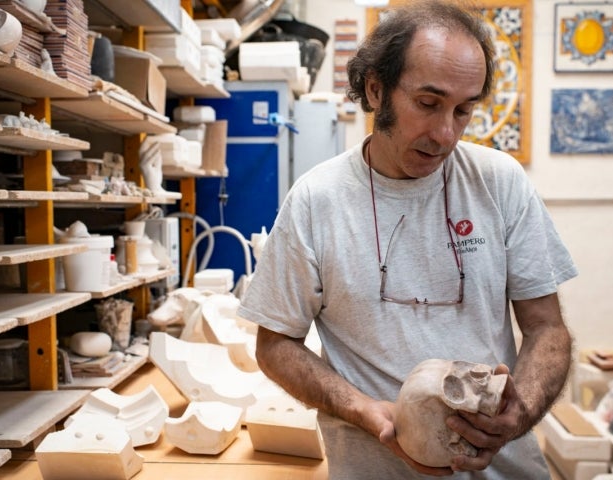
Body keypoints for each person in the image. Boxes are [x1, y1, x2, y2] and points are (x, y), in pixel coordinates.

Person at [237, 1, 578, 479]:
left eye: (463, 110)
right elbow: (275, 344)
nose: (445, 134)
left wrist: (519, 415)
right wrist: (361, 409)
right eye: (428, 103)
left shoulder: (499, 182)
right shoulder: (317, 200)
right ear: (376, 89)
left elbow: (547, 329)